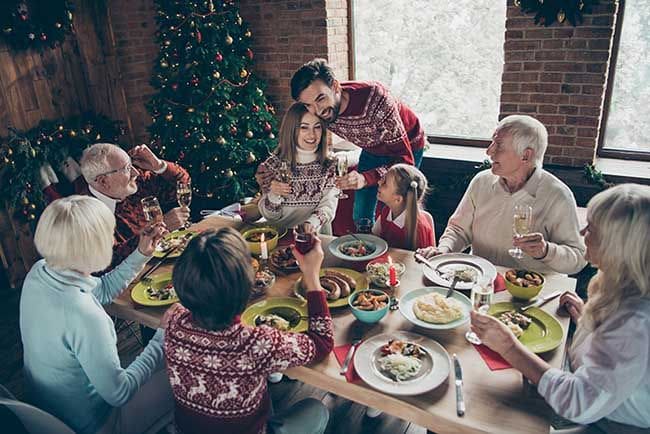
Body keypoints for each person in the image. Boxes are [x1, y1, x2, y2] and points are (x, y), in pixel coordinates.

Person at [470, 184, 650, 432]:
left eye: (592, 228)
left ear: (618, 245)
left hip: (610, 426)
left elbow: (578, 403)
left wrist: (509, 347)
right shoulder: (621, 286)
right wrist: (585, 319)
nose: (583, 231)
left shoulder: (635, 322)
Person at [19, 196, 173, 434]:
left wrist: (141, 253)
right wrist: (161, 337)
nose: (112, 239)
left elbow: (102, 290)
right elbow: (119, 393)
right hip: (95, 425)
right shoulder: (84, 315)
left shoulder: (41, 271)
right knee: (180, 372)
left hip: (49, 412)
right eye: (108, 233)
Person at [163, 227, 333, 434]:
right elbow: (321, 341)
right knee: (317, 409)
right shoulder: (254, 343)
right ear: (246, 285)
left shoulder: (173, 322)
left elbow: (178, 309)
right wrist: (312, 276)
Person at [417, 115, 586, 275]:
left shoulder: (558, 196)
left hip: (527, 292)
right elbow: (459, 230)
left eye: (498, 145)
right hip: (478, 282)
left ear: (525, 155)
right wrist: (443, 250)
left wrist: (546, 251)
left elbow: (578, 258)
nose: (489, 151)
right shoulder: (481, 181)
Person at [289, 58, 425, 225]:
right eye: (309, 105)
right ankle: (366, 249)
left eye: (321, 99)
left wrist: (366, 178)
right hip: (372, 148)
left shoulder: (377, 100)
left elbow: (404, 160)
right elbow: (299, 137)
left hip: (407, 147)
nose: (317, 111)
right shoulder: (319, 111)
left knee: (399, 210)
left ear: (336, 87)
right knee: (361, 215)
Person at [79, 143, 191, 269]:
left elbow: (183, 186)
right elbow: (108, 263)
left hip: (168, 259)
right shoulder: (84, 216)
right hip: (133, 279)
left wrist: (159, 166)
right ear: (103, 181)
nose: (136, 172)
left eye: (131, 164)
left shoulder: (135, 183)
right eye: (126, 168)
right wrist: (159, 227)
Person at [257, 103, 338, 234]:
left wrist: (311, 223)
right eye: (304, 128)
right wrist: (274, 196)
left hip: (316, 236)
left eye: (317, 127)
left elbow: (328, 206)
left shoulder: (330, 164)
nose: (312, 135)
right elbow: (270, 216)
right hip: (281, 236)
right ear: (292, 130)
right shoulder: (273, 164)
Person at [373, 163, 435, 250]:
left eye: (385, 183)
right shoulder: (387, 211)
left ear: (398, 199)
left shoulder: (419, 230)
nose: (379, 182)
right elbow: (374, 238)